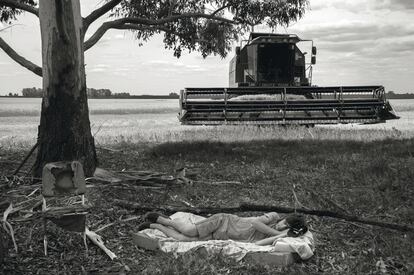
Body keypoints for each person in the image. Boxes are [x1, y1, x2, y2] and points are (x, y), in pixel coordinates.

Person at [137, 211, 308, 244]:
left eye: (286, 226)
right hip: (223, 221)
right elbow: (255, 223)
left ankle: (155, 225)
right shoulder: (273, 217)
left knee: (182, 239)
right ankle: (164, 220)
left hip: (221, 236)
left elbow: (256, 245)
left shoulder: (275, 237)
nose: (281, 224)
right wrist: (278, 230)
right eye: (284, 222)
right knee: (188, 230)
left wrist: (281, 236)